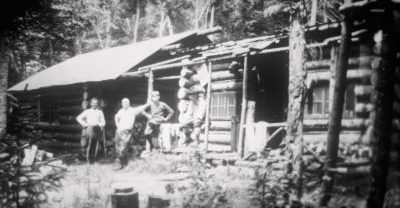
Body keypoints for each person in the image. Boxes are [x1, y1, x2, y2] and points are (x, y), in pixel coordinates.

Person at [114, 98, 145, 169]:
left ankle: (124, 164)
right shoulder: (120, 111)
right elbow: (116, 117)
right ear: (122, 104)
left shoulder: (132, 110)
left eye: (126, 102)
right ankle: (122, 165)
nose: (125, 104)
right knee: (118, 149)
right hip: (119, 131)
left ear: (129, 103)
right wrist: (117, 125)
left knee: (123, 148)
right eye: (123, 103)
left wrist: (148, 104)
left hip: (127, 132)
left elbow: (140, 108)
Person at [76, 98, 106, 163]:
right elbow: (78, 118)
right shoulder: (87, 111)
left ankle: (93, 158)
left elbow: (103, 122)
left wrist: (100, 124)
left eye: (96, 103)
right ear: (90, 104)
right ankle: (87, 158)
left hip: (97, 129)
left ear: (97, 104)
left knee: (95, 144)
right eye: (93, 103)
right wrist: (85, 124)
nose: (94, 105)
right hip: (90, 129)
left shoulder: (100, 112)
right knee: (89, 143)